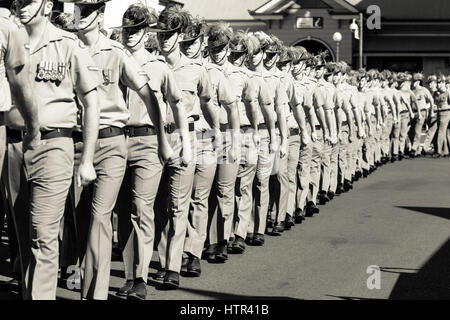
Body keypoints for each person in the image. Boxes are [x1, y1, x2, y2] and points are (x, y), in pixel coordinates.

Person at [60, 0, 172, 300]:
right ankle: (83, 279)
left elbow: (149, 96)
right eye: (76, 10)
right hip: (76, 143)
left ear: (99, 15)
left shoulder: (116, 53)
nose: (78, 16)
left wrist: (162, 140)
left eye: (86, 10)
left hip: (111, 143)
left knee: (101, 216)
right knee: (80, 218)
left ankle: (97, 293)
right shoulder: (67, 48)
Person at [7, 0, 101, 300]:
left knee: (43, 234)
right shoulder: (8, 39)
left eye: (29, 1)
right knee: (23, 238)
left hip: (53, 146)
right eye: (17, 1)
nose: (21, 6)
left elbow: (91, 102)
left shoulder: (68, 44)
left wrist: (87, 159)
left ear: (47, 6)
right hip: (12, 145)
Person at [116, 3, 191, 300]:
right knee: (122, 213)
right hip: (117, 142)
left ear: (146, 32)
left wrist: (181, 142)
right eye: (126, 30)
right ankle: (128, 275)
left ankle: (141, 278)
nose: (130, 35)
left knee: (142, 209)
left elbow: (177, 104)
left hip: (148, 142)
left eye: (136, 30)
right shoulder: (113, 59)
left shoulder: (159, 67)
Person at [154, 6, 217, 290]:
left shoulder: (196, 70)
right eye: (161, 34)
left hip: (183, 139)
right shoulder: (150, 65)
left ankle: (173, 265)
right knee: (156, 206)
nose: (165, 39)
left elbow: (207, 102)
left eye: (170, 35)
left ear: (180, 36)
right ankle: (162, 257)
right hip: (154, 140)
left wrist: (215, 131)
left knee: (179, 206)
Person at [228, 30, 275, 253]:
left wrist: (272, 137)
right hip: (224, 134)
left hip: (249, 133)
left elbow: (268, 110)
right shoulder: (221, 73)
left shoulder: (257, 79)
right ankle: (226, 232)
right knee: (227, 187)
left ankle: (241, 232)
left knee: (249, 185)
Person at [411, 72, 434, 157]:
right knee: (411, 131)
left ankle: (413, 149)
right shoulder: (411, 90)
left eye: (413, 81)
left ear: (418, 82)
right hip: (413, 112)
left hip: (422, 112)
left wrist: (431, 111)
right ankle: (417, 150)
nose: (412, 83)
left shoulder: (424, 90)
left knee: (418, 130)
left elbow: (431, 100)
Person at [433, 75, 450, 157]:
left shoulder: (448, 92)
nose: (438, 84)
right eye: (437, 83)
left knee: (441, 132)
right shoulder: (436, 93)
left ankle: (438, 151)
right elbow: (435, 103)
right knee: (445, 133)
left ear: (443, 83)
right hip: (438, 113)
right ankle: (446, 151)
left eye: (440, 82)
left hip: (446, 113)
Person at [422, 75, 438, 154]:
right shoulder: (430, 92)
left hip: (435, 114)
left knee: (431, 132)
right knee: (434, 133)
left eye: (431, 83)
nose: (429, 85)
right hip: (430, 114)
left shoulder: (437, 92)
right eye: (428, 83)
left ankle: (424, 148)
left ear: (435, 83)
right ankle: (436, 148)